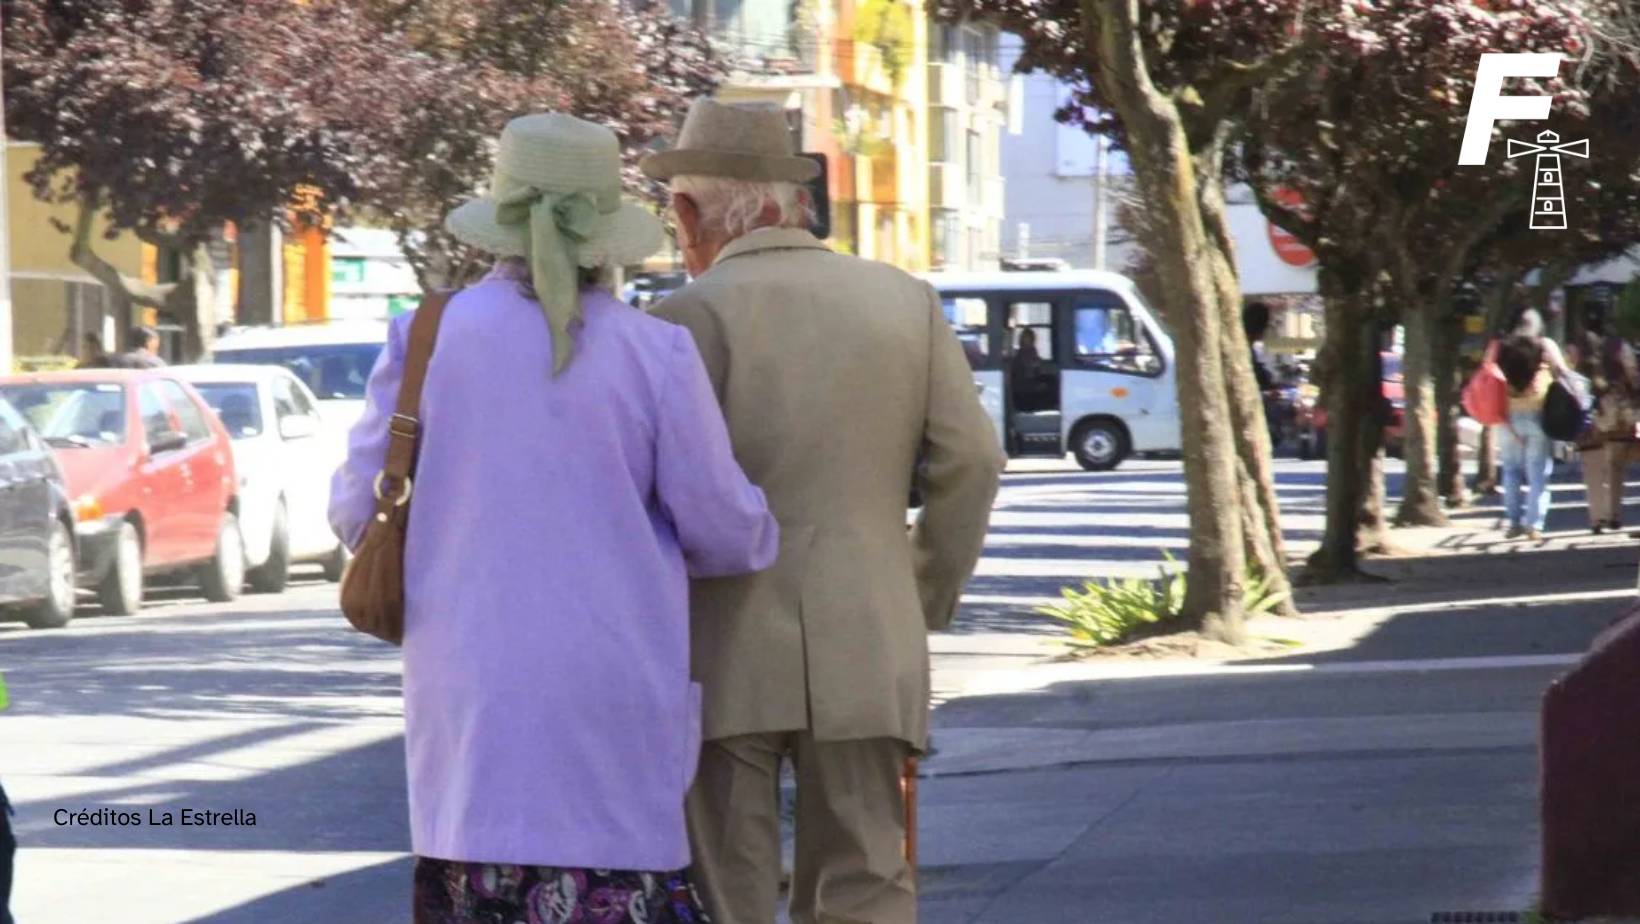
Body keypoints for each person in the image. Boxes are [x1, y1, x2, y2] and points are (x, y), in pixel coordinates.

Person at [329, 112, 779, 924]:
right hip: (611, 698)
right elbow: (723, 529)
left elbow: (356, 508)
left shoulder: (424, 338)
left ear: (498, 219)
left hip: (469, 705)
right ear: (604, 232)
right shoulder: (654, 351)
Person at [644, 99, 1005, 924]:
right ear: (793, 203)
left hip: (719, 646)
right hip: (870, 633)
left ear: (693, 212)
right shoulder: (902, 301)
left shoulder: (678, 324)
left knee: (725, 892)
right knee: (868, 883)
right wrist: (921, 590)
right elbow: (974, 461)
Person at [1571, 316, 1640, 533]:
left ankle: (1596, 519)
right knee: (1616, 466)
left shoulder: (1576, 349)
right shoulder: (1619, 346)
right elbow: (1633, 375)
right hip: (1616, 414)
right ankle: (1614, 515)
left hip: (1587, 415)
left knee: (1592, 468)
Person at [1496, 332, 1556, 540]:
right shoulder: (1539, 368)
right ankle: (1534, 525)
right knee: (1537, 473)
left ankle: (1513, 522)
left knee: (1510, 470)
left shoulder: (1502, 363)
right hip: (1536, 418)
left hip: (1507, 419)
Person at [1009, 328, 1054, 412]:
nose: (1030, 341)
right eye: (1027, 338)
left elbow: (1038, 367)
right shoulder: (1021, 355)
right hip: (1024, 390)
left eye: (1031, 338)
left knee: (1052, 380)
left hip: (1030, 383)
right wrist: (1038, 384)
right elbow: (1028, 373)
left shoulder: (1032, 351)